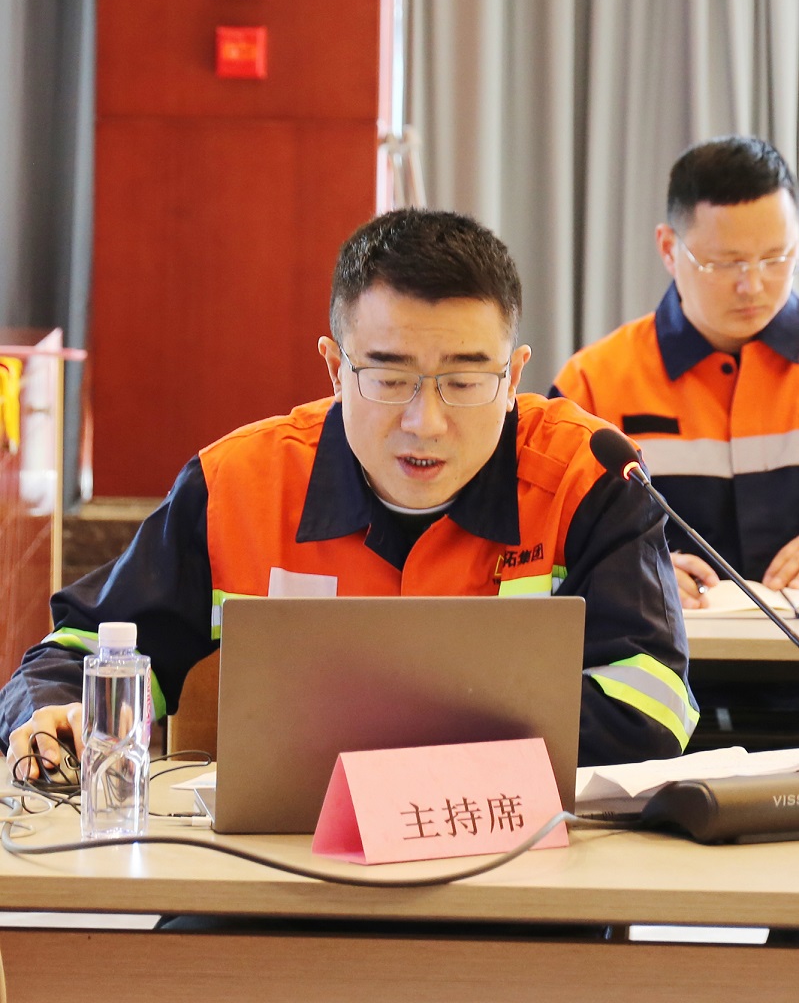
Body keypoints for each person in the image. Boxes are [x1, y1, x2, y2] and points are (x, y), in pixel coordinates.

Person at [1, 208, 696, 777]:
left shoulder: (587, 477)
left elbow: (653, 703)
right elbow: (80, 649)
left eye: (463, 381)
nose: (425, 422)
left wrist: (386, 744)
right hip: (292, 867)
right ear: (335, 370)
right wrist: (52, 711)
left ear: (513, 377)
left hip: (525, 859)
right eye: (390, 379)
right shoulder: (237, 485)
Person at [551, 134, 799, 609]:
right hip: (660, 649)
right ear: (669, 248)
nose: (753, 285)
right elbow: (543, 551)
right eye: (725, 263)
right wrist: (630, 567)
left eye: (776, 258)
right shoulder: (594, 383)